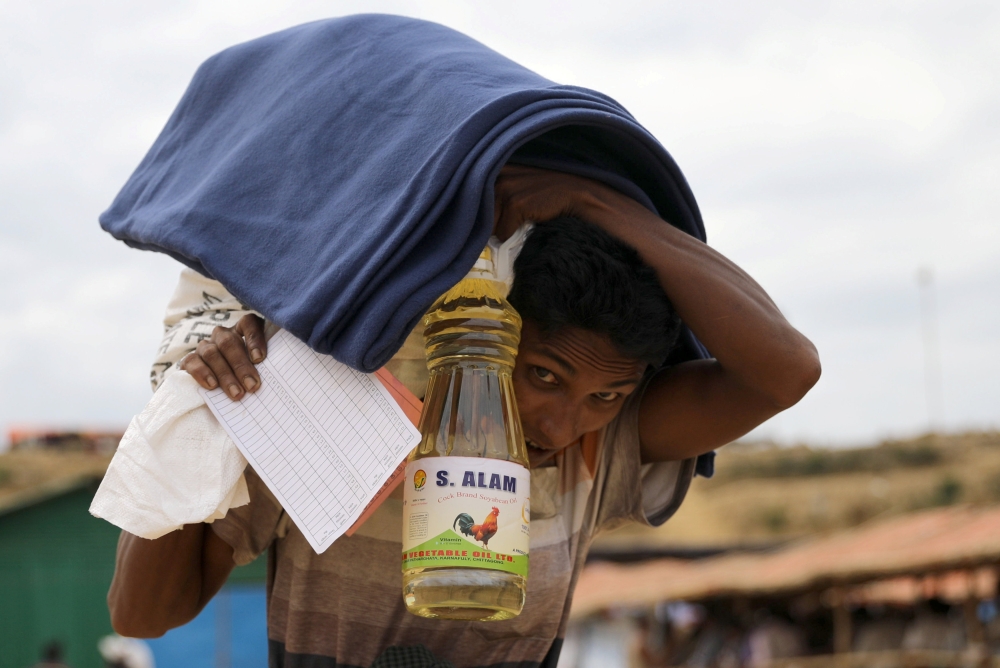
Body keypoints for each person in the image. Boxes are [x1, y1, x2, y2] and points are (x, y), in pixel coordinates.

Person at [106, 163, 820, 667]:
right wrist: (199, 402)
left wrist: (598, 204)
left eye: (607, 395)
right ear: (493, 330)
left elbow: (788, 370)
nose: (565, 423)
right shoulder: (339, 418)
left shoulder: (597, 456)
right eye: (544, 376)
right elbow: (141, 615)